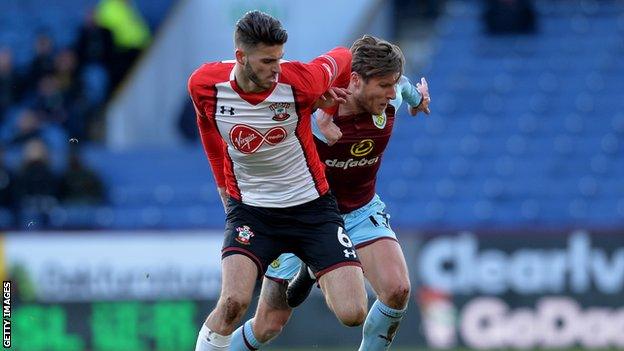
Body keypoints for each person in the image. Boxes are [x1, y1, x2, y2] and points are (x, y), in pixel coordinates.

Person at [229, 35, 431, 351]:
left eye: (392, 85)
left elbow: (404, 87)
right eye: (383, 85)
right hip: (304, 217)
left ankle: (315, 270)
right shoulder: (308, 114)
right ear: (354, 81)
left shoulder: (391, 96)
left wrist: (417, 101)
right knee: (269, 324)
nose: (391, 93)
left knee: (397, 290)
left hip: (360, 210)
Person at [188, 11, 369, 351]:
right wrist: (221, 186)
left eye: (280, 59)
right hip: (252, 212)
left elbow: (344, 57)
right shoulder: (204, 85)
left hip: (312, 209)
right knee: (232, 304)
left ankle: (309, 268)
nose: (276, 68)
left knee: (353, 313)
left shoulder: (300, 81)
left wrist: (326, 112)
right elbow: (208, 129)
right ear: (241, 57)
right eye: (268, 61)